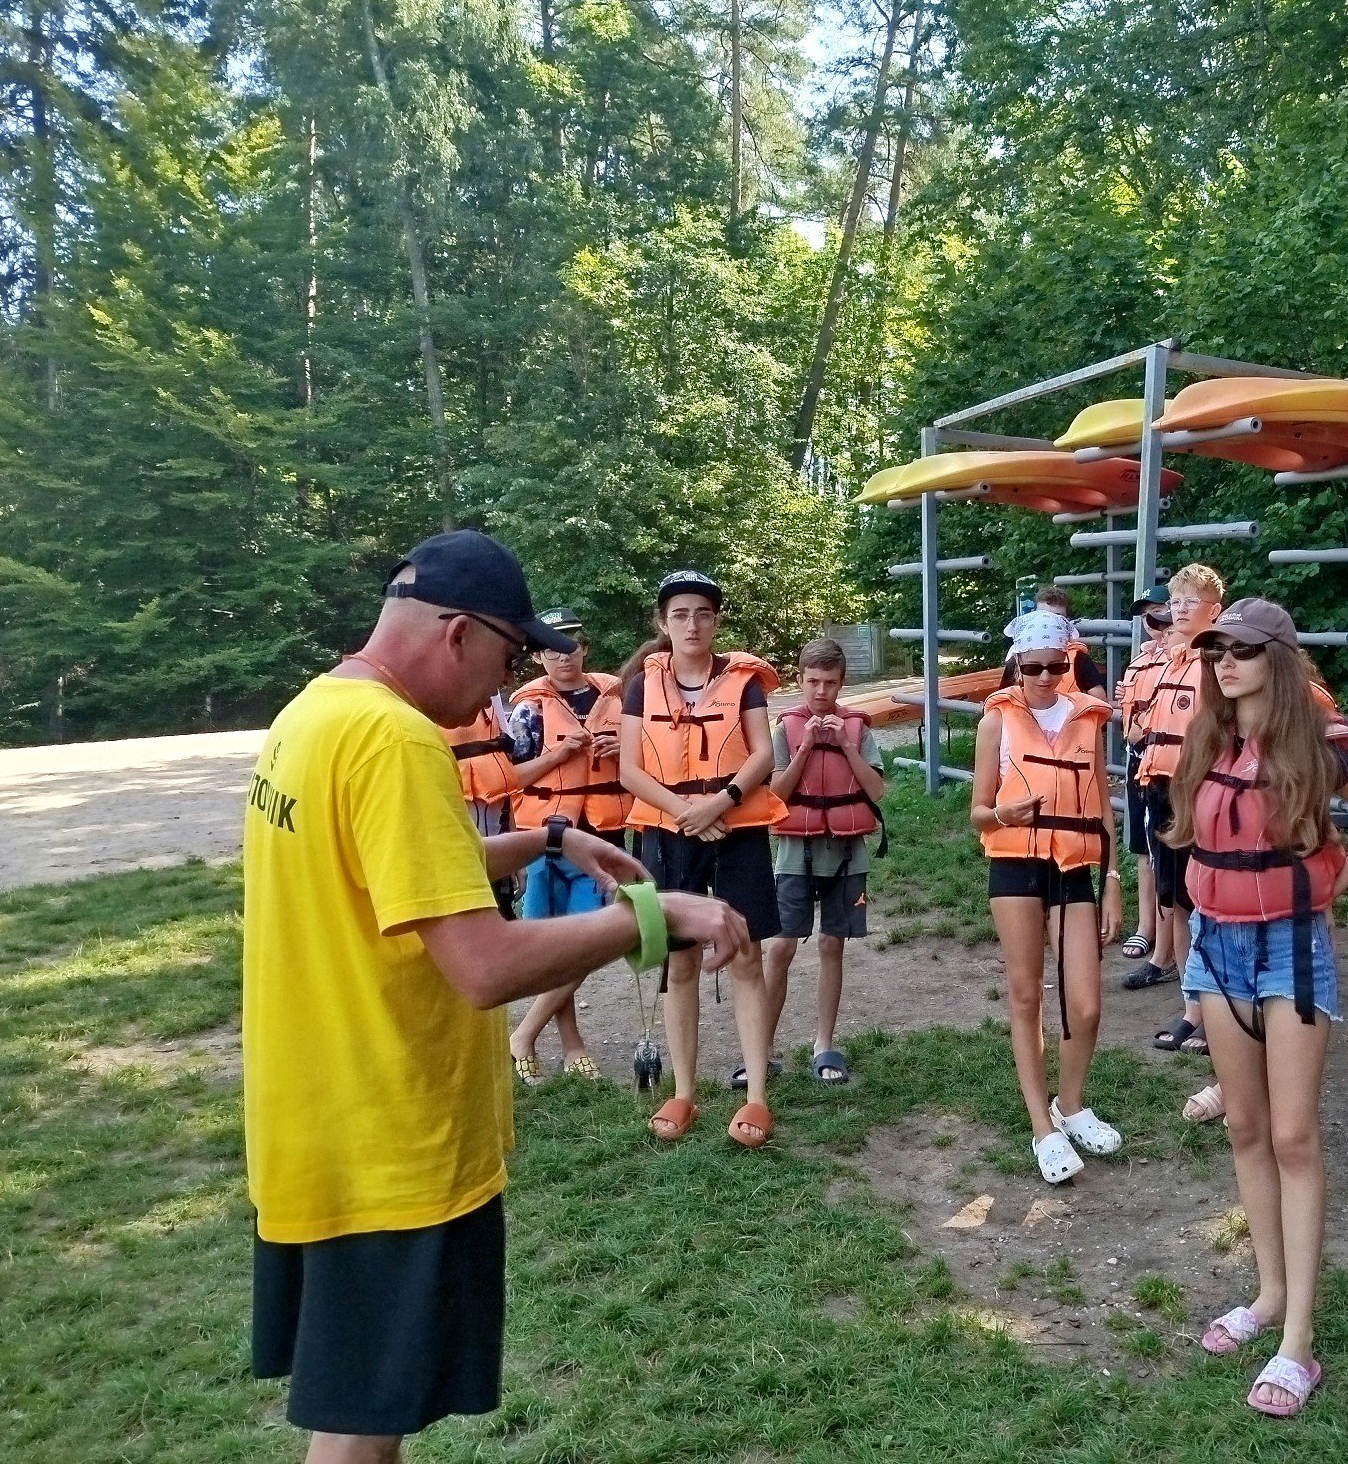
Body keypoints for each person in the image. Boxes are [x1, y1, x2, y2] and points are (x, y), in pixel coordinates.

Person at [244, 529, 746, 1464]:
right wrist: (656, 913)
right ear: (456, 634)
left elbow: (399, 865)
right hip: (388, 1138)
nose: (501, 689)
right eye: (509, 658)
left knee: (362, 1415)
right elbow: (481, 964)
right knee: (358, 1434)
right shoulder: (396, 738)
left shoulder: (316, 712)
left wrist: (550, 839)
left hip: (317, 1121)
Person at [1167, 598, 1348, 1419]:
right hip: (1217, 947)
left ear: (1277, 657)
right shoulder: (1206, 739)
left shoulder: (1319, 747)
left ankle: (1298, 1341)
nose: (1224, 663)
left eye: (1240, 650)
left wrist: (1331, 888)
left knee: (1294, 1135)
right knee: (1244, 1125)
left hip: (1291, 950)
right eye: (1215, 651)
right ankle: (1267, 1295)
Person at [619, 569, 787, 1147]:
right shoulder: (642, 685)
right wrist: (685, 812)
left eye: (703, 614)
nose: (692, 624)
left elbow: (762, 754)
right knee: (681, 961)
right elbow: (630, 769)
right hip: (669, 832)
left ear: (716, 621)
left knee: (746, 955)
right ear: (663, 622)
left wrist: (720, 802)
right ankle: (683, 1090)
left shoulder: (744, 682)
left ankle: (756, 1096)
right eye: (680, 614)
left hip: (736, 827)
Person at [971, 609, 1125, 1183]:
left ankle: (1071, 1103)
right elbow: (978, 812)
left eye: (1054, 667)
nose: (1043, 678)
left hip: (1075, 866)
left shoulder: (1087, 720)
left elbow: (1103, 806)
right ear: (1017, 665)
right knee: (1026, 994)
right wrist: (1002, 814)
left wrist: (1114, 881)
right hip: (1015, 864)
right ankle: (1042, 1126)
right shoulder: (997, 721)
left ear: (1067, 664)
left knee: (1085, 1004)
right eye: (1032, 667)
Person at [502, 609, 628, 1084]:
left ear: (585, 648)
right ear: (539, 657)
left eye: (570, 645)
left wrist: (624, 752)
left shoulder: (616, 699)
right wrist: (558, 754)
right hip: (544, 841)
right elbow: (510, 778)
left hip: (601, 839)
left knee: (586, 946)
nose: (562, 656)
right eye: (550, 649)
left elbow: (650, 762)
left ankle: (524, 1034)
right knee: (553, 947)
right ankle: (573, 1045)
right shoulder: (528, 710)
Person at [764, 636, 887, 1085]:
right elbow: (776, 795)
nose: (821, 691)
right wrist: (806, 748)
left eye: (830, 683)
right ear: (800, 680)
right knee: (781, 946)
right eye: (813, 681)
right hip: (795, 853)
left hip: (847, 855)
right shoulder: (785, 729)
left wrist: (843, 746)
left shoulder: (858, 730)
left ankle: (824, 1043)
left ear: (841, 683)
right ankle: (762, 1048)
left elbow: (876, 791)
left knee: (832, 944)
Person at [1128, 562, 1225, 1052]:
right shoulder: (1168, 661)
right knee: (1178, 902)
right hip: (1161, 791)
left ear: (1216, 610)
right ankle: (1192, 1008)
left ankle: (1220, 1012)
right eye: (1177, 601)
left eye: (1192, 602)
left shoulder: (1220, 662)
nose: (1181, 610)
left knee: (1209, 903)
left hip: (1201, 795)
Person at [1117, 586, 1176, 967]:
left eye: (1159, 611)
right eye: (1145, 615)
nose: (1152, 621)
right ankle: (1146, 926)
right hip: (1138, 760)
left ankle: (1169, 945)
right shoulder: (1139, 661)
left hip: (1169, 765)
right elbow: (1130, 718)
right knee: (1143, 847)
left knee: (1168, 849)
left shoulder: (1182, 657)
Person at [438, 677, 522, 919]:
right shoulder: (417, 701)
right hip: (452, 854)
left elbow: (504, 779)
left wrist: (515, 857)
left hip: (497, 847)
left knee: (502, 916)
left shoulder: (490, 694)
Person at [997, 583, 1107, 698]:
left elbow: (1100, 700)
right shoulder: (1018, 656)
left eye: (1057, 618)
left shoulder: (1079, 659)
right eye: (1043, 615)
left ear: (1066, 621)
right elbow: (1002, 697)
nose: (1048, 622)